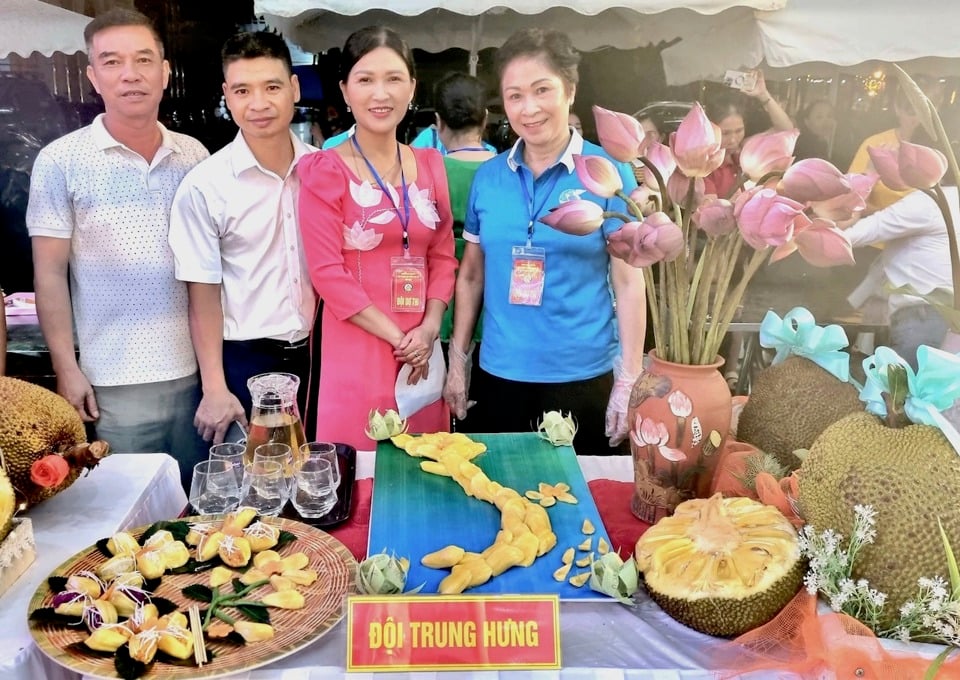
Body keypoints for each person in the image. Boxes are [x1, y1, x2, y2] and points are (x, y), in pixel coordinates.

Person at [26, 8, 209, 491]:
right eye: (112, 62)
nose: (130, 74)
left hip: (198, 376)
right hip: (112, 382)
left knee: (205, 511)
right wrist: (66, 368)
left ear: (165, 71)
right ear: (92, 76)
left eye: (143, 59)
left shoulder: (195, 156)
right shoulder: (61, 161)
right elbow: (48, 275)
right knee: (132, 518)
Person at [443, 28, 646, 456]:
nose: (529, 108)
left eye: (542, 90)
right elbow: (472, 275)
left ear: (569, 91)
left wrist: (629, 378)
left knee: (583, 511)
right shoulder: (490, 177)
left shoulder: (607, 172)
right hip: (500, 378)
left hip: (583, 378)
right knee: (504, 504)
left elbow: (629, 282)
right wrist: (458, 363)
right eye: (514, 95)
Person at [298, 26, 458, 450]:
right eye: (365, 80)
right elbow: (327, 273)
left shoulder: (430, 165)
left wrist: (429, 327)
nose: (380, 94)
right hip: (357, 345)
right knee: (360, 476)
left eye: (393, 79)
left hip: (421, 347)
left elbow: (443, 256)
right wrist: (398, 338)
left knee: (427, 470)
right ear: (345, 91)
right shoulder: (324, 170)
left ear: (412, 88)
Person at [168, 31, 317, 444]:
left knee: (322, 482)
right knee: (256, 490)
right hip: (247, 359)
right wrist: (215, 387)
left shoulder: (323, 172)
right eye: (242, 90)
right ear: (227, 97)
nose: (259, 104)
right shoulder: (205, 186)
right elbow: (202, 295)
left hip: (321, 352)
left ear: (294, 88)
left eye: (272, 87)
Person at [843, 181, 958, 369]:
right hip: (941, 320)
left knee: (906, 395)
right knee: (944, 395)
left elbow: (851, 236)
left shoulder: (928, 202)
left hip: (925, 320)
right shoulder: (948, 200)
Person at [433, 73, 497, 353]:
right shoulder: (504, 173)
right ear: (484, 119)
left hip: (439, 302)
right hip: (493, 299)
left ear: (439, 122)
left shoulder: (427, 172)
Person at [848, 76, 944, 213]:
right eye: (912, 112)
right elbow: (849, 201)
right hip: (875, 228)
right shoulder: (874, 145)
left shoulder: (942, 152)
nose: (919, 120)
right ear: (897, 108)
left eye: (927, 113)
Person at [704, 69, 794, 198]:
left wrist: (763, 94)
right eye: (726, 133)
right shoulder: (704, 166)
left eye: (739, 131)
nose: (733, 140)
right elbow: (709, 212)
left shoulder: (746, 150)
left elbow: (786, 131)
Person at [794, 99, 836, 163]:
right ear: (807, 122)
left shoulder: (821, 143)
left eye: (829, 116)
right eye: (819, 117)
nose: (826, 121)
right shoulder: (805, 146)